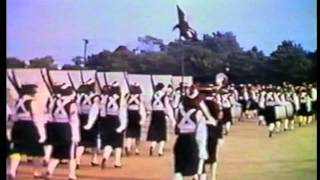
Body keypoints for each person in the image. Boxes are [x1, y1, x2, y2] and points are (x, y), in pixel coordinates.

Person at [8, 84, 47, 179]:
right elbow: (37, 118)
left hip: (17, 127)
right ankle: (36, 172)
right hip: (30, 127)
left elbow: (13, 117)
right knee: (36, 151)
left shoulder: (17, 102)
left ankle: (12, 171)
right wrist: (42, 134)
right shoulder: (32, 103)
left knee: (17, 151)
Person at [85, 81, 127, 169]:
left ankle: (105, 157)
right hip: (116, 120)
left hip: (104, 121)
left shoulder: (102, 98)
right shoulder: (121, 99)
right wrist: (122, 125)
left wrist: (89, 123)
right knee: (118, 143)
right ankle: (117, 162)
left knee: (108, 142)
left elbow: (95, 111)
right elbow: (123, 113)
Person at [173, 84, 210, 180]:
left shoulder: (179, 111)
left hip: (180, 141)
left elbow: (176, 126)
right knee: (197, 171)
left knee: (178, 171)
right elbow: (201, 134)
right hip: (192, 142)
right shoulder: (199, 113)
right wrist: (202, 149)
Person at [45, 84, 80, 180]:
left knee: (56, 153)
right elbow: (74, 121)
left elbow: (50, 116)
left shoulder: (54, 102)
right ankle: (71, 174)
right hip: (67, 129)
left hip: (56, 128)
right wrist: (75, 136)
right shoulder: (72, 104)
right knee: (72, 155)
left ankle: (49, 171)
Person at [147, 83, 176, 156]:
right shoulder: (164, 96)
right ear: (162, 88)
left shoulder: (154, 95)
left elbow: (150, 104)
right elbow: (167, 107)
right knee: (162, 132)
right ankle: (160, 150)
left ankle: (152, 146)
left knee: (154, 131)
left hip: (154, 114)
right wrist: (171, 118)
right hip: (161, 114)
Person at [76, 82, 100, 168]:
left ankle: (77, 160)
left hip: (81, 118)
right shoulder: (96, 97)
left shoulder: (79, 96)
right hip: (91, 120)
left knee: (82, 142)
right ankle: (94, 159)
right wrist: (90, 123)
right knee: (93, 141)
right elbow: (95, 110)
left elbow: (77, 108)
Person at [124, 83, 146, 156]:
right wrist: (143, 118)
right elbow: (142, 107)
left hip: (129, 114)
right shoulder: (140, 97)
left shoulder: (127, 96)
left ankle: (128, 147)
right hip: (137, 114)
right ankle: (136, 149)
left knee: (129, 132)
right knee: (137, 133)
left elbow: (124, 105)